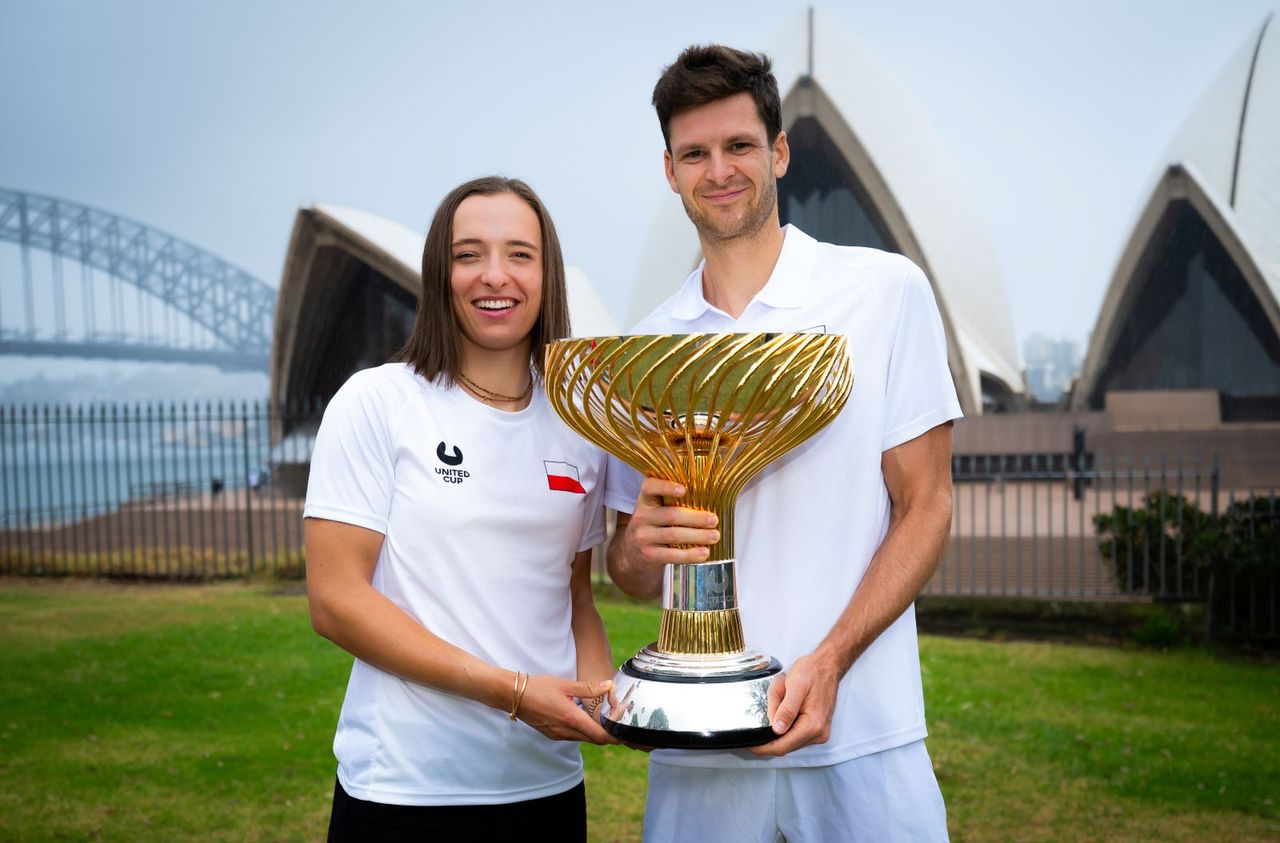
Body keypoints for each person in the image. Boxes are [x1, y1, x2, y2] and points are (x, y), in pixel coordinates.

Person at [604, 45, 959, 841]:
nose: (718, 169)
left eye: (738, 146)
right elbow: (625, 570)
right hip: (696, 754)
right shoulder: (649, 343)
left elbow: (926, 505)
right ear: (669, 170)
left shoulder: (882, 292)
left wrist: (829, 660)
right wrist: (637, 545)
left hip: (862, 739)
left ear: (780, 152)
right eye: (695, 153)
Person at [304, 176, 617, 842]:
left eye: (519, 254)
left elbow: (576, 596)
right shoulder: (379, 402)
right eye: (469, 253)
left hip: (548, 787)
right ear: (439, 272)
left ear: (548, 273)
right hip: (405, 791)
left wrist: (604, 695)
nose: (494, 275)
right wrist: (511, 691)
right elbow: (335, 600)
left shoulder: (579, 426)